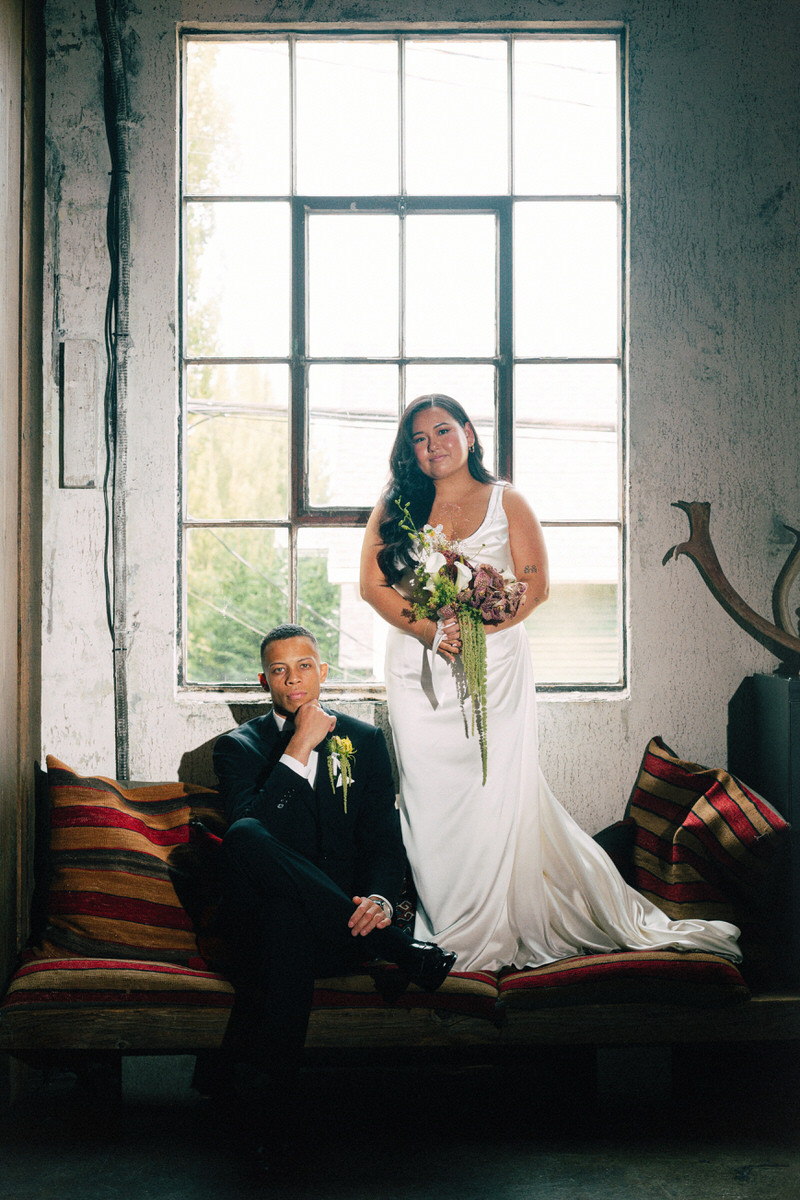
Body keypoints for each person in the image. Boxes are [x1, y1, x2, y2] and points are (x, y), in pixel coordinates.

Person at [359, 395, 742, 974]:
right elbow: (372, 585)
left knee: (493, 791)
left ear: (468, 433)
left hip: (495, 670)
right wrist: (432, 630)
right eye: (419, 437)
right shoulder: (397, 503)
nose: (433, 444)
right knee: (427, 796)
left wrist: (477, 627)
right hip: (420, 670)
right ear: (409, 449)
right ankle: (447, 923)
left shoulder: (506, 500)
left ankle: (482, 931)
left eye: (443, 430)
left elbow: (534, 589)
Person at [212, 622, 456, 1179]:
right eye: (279, 670)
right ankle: (407, 952)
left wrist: (378, 897)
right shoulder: (239, 748)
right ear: (263, 681)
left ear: (324, 672)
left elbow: (382, 842)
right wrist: (299, 745)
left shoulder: (365, 742)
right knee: (252, 847)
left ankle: (265, 1120)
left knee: (291, 922)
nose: (293, 679)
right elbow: (255, 828)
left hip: (349, 927)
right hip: (269, 925)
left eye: (304, 666)